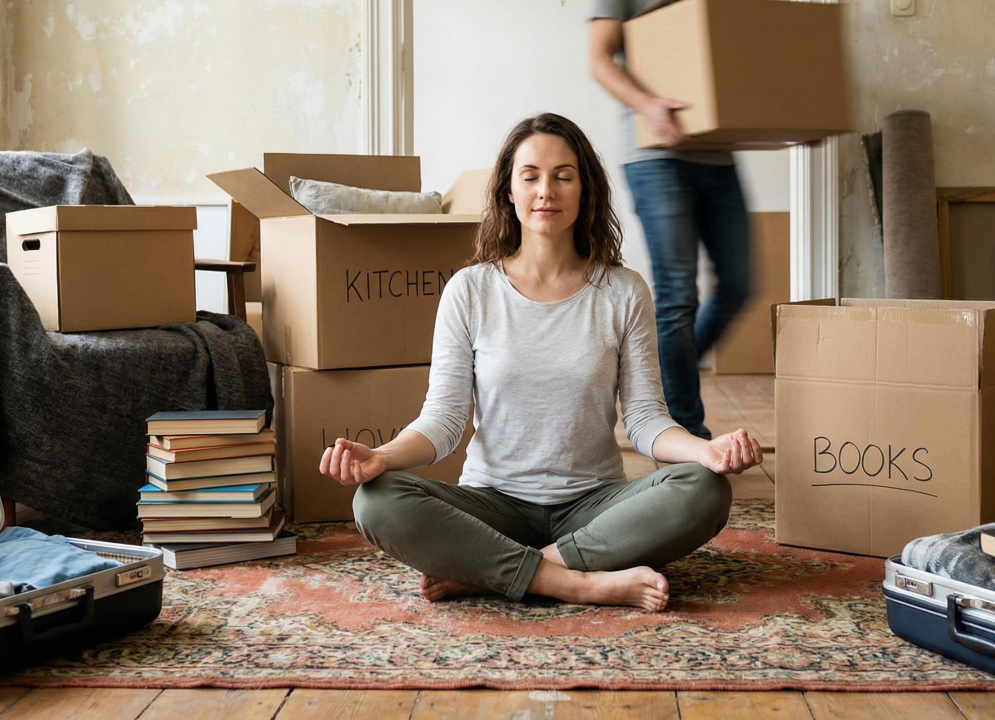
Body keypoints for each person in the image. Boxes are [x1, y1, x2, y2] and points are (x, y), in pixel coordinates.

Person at [320, 113, 762, 613]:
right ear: (509, 191)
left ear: (585, 190)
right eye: (530, 176)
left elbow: (644, 420)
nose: (545, 190)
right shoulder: (470, 290)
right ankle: (579, 582)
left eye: (563, 176)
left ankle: (495, 571)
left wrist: (705, 450)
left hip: (593, 507)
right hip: (493, 505)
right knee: (375, 500)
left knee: (705, 489)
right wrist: (384, 457)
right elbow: (444, 422)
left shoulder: (623, 291)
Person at [588, 1, 752, 440]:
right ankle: (686, 434)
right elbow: (599, 58)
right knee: (678, 296)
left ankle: (651, 384)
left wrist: (788, 111)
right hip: (655, 156)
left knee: (739, 285)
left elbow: (744, 46)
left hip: (717, 152)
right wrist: (647, 105)